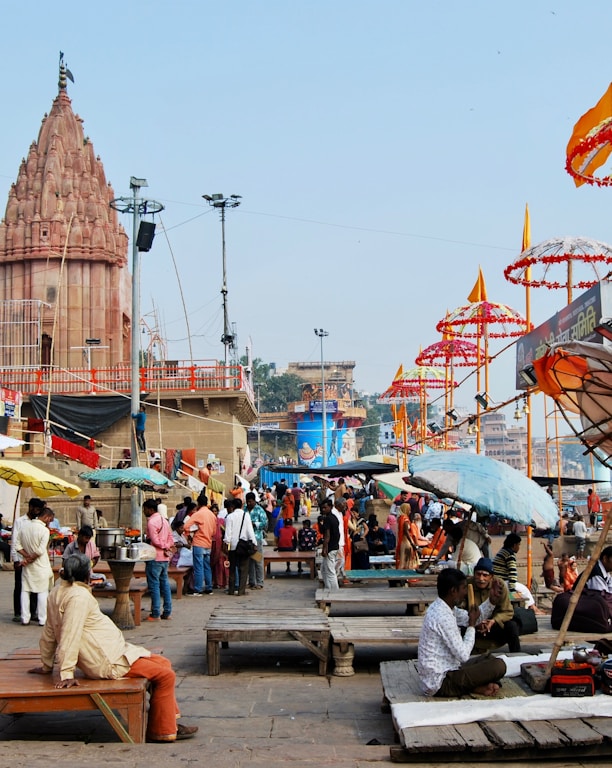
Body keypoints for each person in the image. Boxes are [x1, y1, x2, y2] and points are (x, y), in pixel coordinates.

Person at [30, 553, 197, 743]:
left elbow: (49, 633)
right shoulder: (78, 597)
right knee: (166, 676)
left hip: (111, 652)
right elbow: (69, 634)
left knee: (163, 662)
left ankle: (168, 721)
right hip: (108, 661)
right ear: (86, 575)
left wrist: (46, 664)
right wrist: (66, 673)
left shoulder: (57, 592)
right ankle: (162, 730)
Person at [417, 567, 506, 697]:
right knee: (499, 666)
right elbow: (463, 655)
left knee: (489, 658)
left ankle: (477, 686)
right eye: (464, 588)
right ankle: (475, 686)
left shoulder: (445, 607)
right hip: (440, 682)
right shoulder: (442, 616)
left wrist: (491, 601)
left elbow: (473, 617)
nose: (465, 592)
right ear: (453, 591)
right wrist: (471, 626)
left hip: (452, 668)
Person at [465, 557, 521, 653]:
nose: (481, 579)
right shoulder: (467, 585)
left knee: (512, 626)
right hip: (473, 625)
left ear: (491, 576)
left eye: (485, 575)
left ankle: (516, 655)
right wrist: (474, 622)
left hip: (494, 626)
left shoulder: (499, 585)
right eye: (478, 574)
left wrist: (494, 621)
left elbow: (507, 611)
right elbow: (460, 610)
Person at [14, 506, 55, 626]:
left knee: (25, 590)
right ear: (46, 517)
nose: (50, 522)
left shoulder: (24, 527)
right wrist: (30, 558)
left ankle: (25, 618)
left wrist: (26, 558)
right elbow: (40, 550)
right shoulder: (44, 531)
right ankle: (43, 619)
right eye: (50, 520)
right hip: (41, 565)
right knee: (42, 592)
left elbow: (17, 546)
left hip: (28, 567)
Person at [11, 497, 45, 622]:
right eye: (36, 509)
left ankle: (33, 612)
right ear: (30, 507)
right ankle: (18, 612)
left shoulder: (38, 522)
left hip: (34, 561)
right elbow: (15, 541)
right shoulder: (19, 521)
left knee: (35, 586)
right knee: (20, 586)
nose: (37, 512)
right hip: (21, 558)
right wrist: (15, 560)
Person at [143, 498, 174, 620]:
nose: (144, 511)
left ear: (150, 510)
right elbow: (171, 537)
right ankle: (167, 611)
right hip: (165, 557)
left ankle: (155, 612)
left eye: (145, 509)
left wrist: (164, 545)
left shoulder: (151, 522)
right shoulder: (164, 521)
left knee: (154, 585)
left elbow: (155, 540)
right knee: (165, 584)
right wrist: (168, 546)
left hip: (155, 557)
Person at [492, 533, 537, 610]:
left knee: (522, 589)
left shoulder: (502, 551)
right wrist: (512, 591)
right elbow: (512, 574)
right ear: (514, 545)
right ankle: (532, 608)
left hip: (497, 580)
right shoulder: (510, 555)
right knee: (524, 590)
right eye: (518, 545)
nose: (519, 547)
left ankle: (532, 607)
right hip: (502, 582)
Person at [223, 499, 256, 595]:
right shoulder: (246, 515)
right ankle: (241, 590)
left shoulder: (230, 517)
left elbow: (228, 532)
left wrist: (226, 543)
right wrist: (254, 542)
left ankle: (231, 589)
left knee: (232, 568)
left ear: (233, 506)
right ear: (242, 505)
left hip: (233, 546)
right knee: (244, 569)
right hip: (243, 545)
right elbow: (250, 530)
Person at [185, 494, 216, 596]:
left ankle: (197, 589)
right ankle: (209, 587)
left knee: (198, 567)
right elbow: (214, 531)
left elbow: (186, 526)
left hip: (199, 542)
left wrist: (191, 532)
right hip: (208, 543)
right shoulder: (212, 514)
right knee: (207, 566)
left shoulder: (198, 514)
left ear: (198, 503)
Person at [246, 491, 268, 589]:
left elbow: (265, 523)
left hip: (257, 538)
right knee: (249, 561)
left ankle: (260, 582)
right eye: (247, 502)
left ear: (254, 501)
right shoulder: (245, 510)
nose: (249, 504)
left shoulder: (259, 510)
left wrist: (254, 524)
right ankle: (251, 581)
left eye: (250, 502)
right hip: (246, 539)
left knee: (257, 560)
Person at [320, 498, 340, 591]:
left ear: (330, 507)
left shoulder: (328, 519)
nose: (323, 509)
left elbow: (327, 535)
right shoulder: (333, 517)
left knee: (330, 572)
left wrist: (325, 548)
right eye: (322, 508)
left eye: (325, 507)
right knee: (324, 570)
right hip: (334, 546)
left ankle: (335, 592)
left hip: (330, 548)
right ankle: (328, 588)